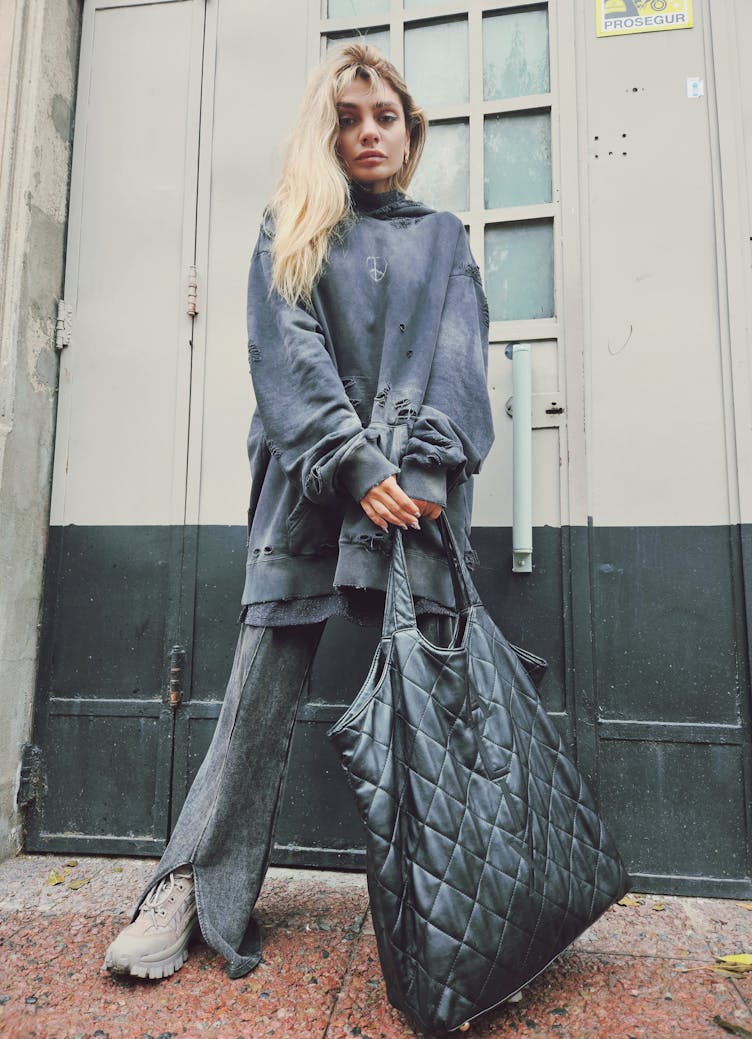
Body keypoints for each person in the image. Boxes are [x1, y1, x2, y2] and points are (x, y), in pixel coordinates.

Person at [103, 42, 494, 982]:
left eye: (384, 117)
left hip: (416, 504)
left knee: (438, 704)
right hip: (310, 496)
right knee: (256, 698)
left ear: (410, 131)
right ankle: (189, 889)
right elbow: (288, 361)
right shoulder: (292, 226)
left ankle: (464, 903)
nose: (368, 132)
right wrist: (354, 463)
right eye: (348, 118)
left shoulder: (445, 238)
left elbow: (463, 365)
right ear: (326, 134)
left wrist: (418, 480)